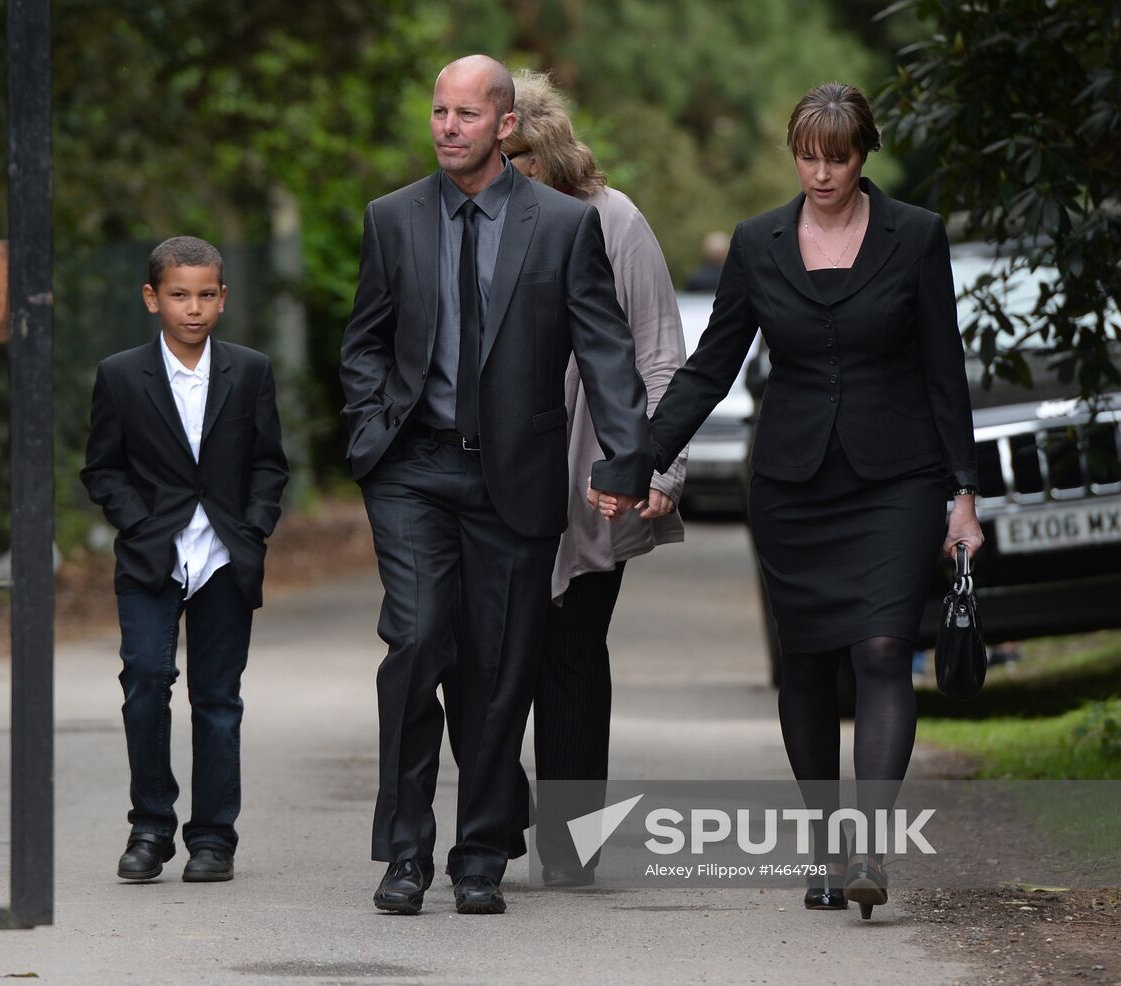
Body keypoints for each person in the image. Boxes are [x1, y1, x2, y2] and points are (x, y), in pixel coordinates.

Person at [638, 82, 984, 918]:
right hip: (793, 484)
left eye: (836, 158)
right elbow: (711, 366)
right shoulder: (757, 245)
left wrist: (963, 495)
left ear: (863, 155)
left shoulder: (915, 237)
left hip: (896, 478)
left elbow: (945, 372)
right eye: (807, 156)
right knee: (808, 662)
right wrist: (643, 460)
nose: (820, 173)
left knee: (878, 650)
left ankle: (870, 847)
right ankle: (825, 849)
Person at [339, 55, 653, 916]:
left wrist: (627, 459)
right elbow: (364, 338)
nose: (447, 127)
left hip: (515, 477)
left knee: (499, 668)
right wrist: (371, 429)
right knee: (414, 644)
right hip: (412, 470)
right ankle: (405, 853)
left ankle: (479, 852)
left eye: (466, 114)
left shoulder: (559, 226)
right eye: (439, 112)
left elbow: (606, 351)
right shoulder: (392, 218)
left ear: (505, 125)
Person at [499, 69, 687, 887]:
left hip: (593, 472)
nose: (513, 177)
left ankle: (571, 846)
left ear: (554, 154)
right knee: (484, 655)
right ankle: (497, 812)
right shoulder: (473, 221)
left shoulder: (614, 221)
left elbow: (659, 356)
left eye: (526, 160)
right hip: (495, 474)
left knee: (572, 654)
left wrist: (660, 466)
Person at [81, 236, 289, 883]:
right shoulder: (120, 375)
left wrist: (252, 529)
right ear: (152, 299)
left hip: (224, 557)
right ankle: (150, 827)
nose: (192, 308)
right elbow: (102, 468)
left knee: (217, 698)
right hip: (151, 557)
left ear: (223, 298)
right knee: (145, 681)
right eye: (178, 295)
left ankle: (213, 838)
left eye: (205, 295)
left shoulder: (249, 370)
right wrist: (141, 524)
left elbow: (269, 463)